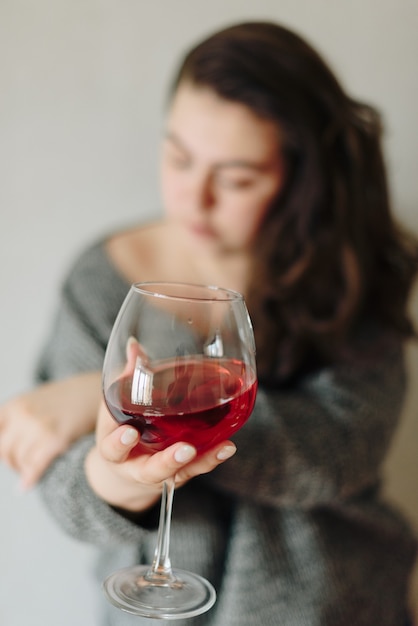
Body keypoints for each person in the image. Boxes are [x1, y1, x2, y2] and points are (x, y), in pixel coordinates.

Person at [1, 20, 418, 625]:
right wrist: (121, 471)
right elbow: (69, 496)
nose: (194, 199)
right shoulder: (101, 280)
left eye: (237, 177)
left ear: (299, 177)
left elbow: (341, 450)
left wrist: (129, 401)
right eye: (178, 158)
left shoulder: (352, 271)